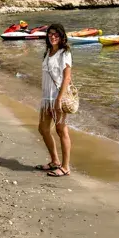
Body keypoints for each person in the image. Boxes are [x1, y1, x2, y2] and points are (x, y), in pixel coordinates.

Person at [35, 23, 73, 177]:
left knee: (61, 130)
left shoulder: (65, 53)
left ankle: (65, 167)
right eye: (50, 34)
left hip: (58, 97)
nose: (53, 36)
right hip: (46, 98)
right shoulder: (48, 52)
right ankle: (55, 161)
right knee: (43, 129)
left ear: (62, 36)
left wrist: (59, 99)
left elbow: (67, 77)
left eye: (56, 34)